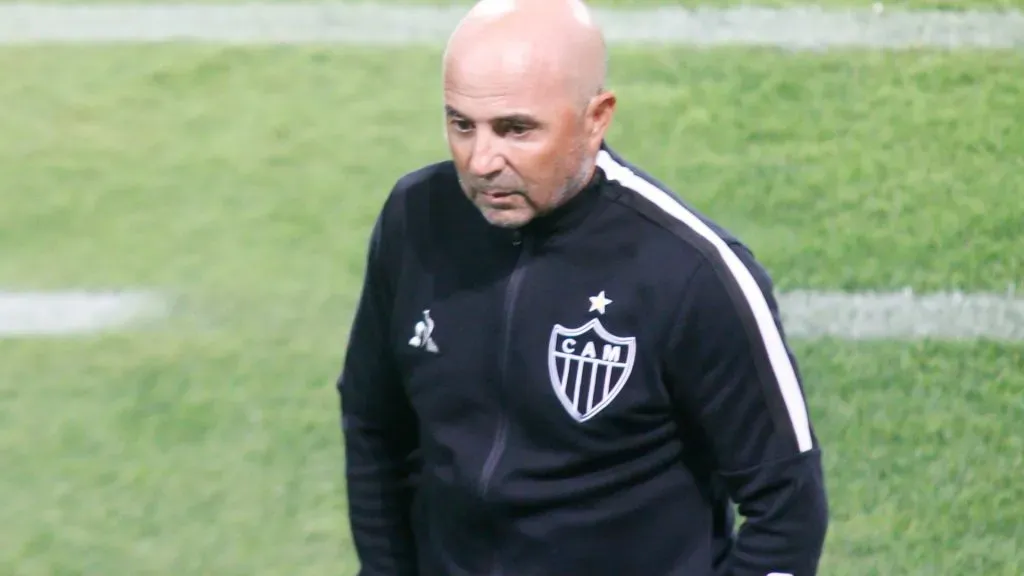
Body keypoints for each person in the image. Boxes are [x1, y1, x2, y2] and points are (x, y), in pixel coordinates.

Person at [336, 0, 829, 574]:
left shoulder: (692, 272)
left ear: (596, 118)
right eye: (461, 124)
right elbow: (373, 423)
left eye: (516, 129)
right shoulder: (416, 218)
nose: (481, 160)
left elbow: (788, 509)